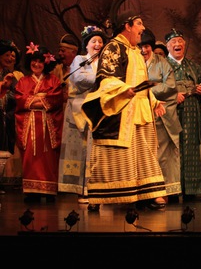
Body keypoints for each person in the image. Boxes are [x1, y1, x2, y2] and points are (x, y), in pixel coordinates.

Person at [81, 12, 167, 211]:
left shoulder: (135, 51)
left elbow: (140, 82)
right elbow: (107, 78)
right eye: (139, 23)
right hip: (121, 110)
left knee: (144, 153)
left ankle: (147, 194)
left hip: (139, 110)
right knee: (116, 155)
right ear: (127, 26)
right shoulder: (114, 47)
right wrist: (123, 90)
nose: (142, 28)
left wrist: (153, 101)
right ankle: (101, 195)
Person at [57, 25, 106, 204]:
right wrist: (103, 79)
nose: (97, 44)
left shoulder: (105, 63)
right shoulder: (80, 59)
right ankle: (81, 190)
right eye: (94, 41)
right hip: (79, 110)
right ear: (87, 45)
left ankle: (97, 189)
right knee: (80, 150)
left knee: (97, 151)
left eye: (100, 41)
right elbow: (79, 78)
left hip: (99, 111)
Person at [14, 43, 63, 203]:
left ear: (46, 63)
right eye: (34, 61)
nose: (36, 64)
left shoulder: (53, 80)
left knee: (48, 157)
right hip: (29, 125)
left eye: (40, 61)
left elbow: (55, 99)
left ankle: (49, 190)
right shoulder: (23, 81)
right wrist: (40, 98)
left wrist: (33, 100)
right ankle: (32, 191)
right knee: (30, 156)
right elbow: (19, 99)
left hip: (47, 126)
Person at [140, 29, 183, 203]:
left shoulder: (162, 62)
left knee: (163, 154)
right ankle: (146, 191)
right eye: (140, 47)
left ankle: (165, 190)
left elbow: (170, 86)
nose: (144, 50)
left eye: (147, 46)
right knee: (144, 154)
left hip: (161, 114)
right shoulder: (134, 63)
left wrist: (147, 91)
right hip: (142, 113)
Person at [165, 28, 201, 201]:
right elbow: (156, 88)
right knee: (172, 149)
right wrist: (172, 95)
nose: (177, 44)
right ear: (167, 46)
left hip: (191, 108)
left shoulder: (194, 67)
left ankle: (193, 190)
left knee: (191, 147)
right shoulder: (162, 66)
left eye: (180, 41)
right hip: (170, 110)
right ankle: (173, 191)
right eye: (173, 42)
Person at [0, 39, 24, 191]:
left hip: (5, 117)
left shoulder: (10, 75)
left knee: (3, 149)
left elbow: (17, 94)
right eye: (6, 55)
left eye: (12, 55)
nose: (10, 58)